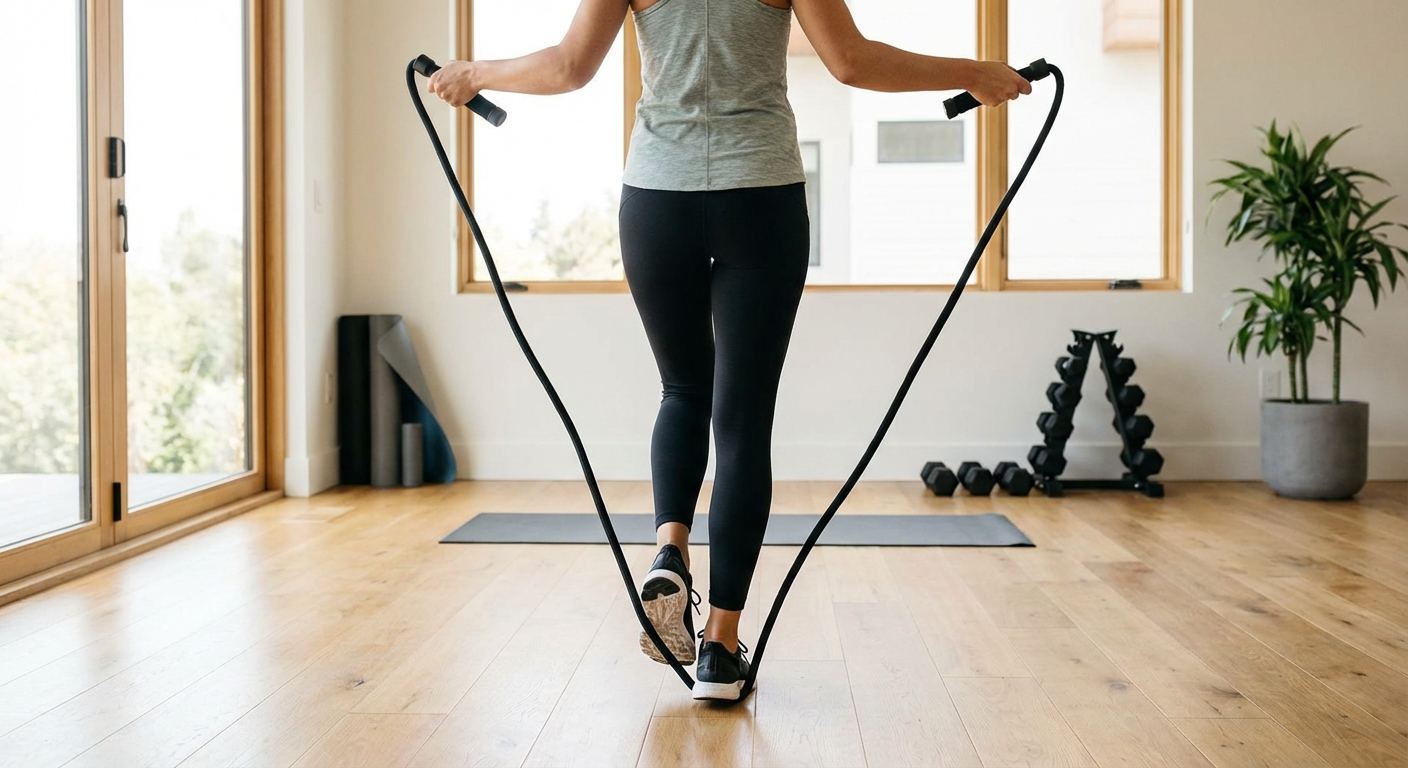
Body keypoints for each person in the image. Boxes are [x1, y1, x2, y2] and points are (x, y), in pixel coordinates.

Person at [430, 0, 1030, 701]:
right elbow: (851, 61)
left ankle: (669, 546)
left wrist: (476, 73)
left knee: (682, 388)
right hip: (761, 199)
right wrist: (976, 73)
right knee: (741, 419)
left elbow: (569, 67)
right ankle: (718, 649)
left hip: (658, 199)